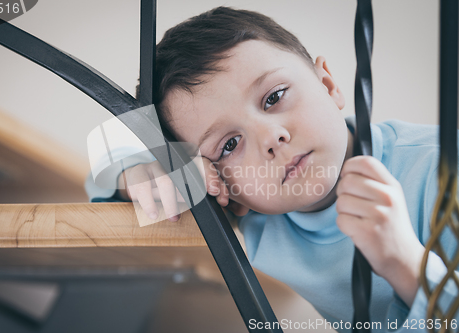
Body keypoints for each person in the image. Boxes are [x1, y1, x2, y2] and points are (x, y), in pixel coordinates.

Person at [85, 6, 459, 332]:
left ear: (328, 85)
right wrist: (139, 173)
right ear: (225, 188)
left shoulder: (441, 167)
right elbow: (98, 188)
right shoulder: (254, 210)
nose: (270, 137)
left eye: (274, 97)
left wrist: (407, 264)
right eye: (230, 145)